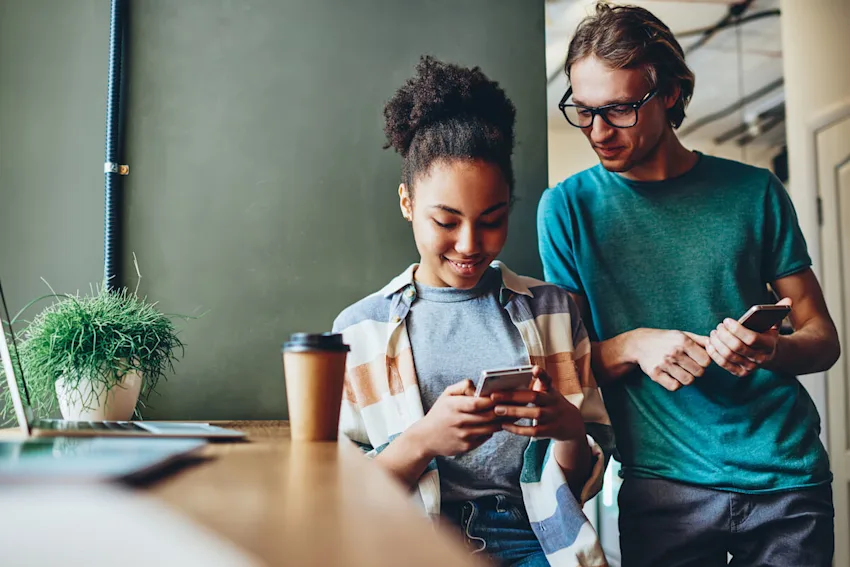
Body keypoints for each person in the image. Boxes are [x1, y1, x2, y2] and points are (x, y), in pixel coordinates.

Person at [537, 4, 840, 566]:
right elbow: (568, 368)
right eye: (583, 110)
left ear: (670, 93)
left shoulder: (755, 193)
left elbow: (823, 339)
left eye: (620, 110)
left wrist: (770, 348)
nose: (598, 132)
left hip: (787, 482)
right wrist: (635, 344)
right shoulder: (566, 210)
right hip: (663, 489)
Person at [333, 56, 614, 567]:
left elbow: (579, 484)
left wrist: (568, 428)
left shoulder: (551, 311)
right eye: (446, 220)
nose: (469, 244)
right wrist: (422, 441)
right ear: (406, 203)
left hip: (538, 541)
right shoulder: (360, 331)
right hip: (411, 545)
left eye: (492, 219)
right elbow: (342, 493)